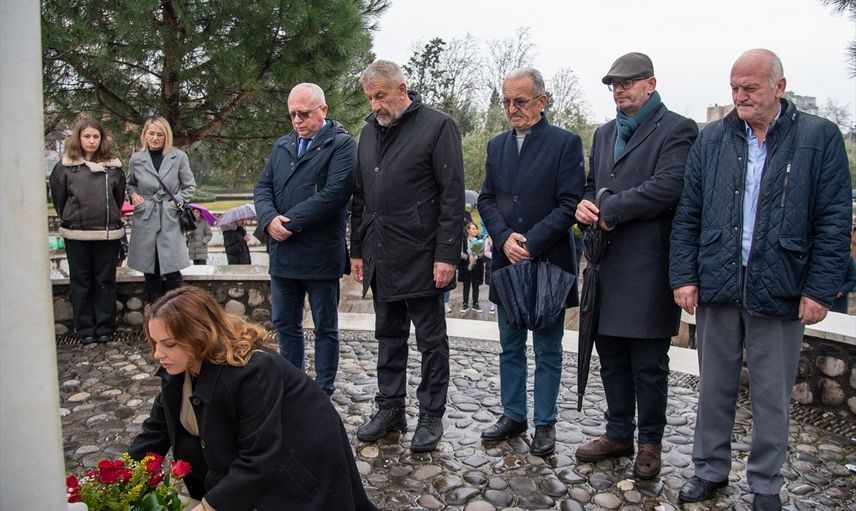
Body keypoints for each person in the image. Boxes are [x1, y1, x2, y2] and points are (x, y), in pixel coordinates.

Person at [670, 49, 852, 511]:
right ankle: (708, 470)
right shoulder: (712, 138)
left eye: (749, 87)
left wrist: (819, 289)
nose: (739, 96)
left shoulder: (818, 137)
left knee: (772, 392)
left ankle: (766, 483)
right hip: (718, 278)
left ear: (779, 86)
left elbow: (834, 221)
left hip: (781, 282)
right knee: (714, 386)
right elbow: (688, 212)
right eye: (734, 87)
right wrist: (684, 276)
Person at [127, 286, 378, 511]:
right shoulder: (178, 368)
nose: (157, 354)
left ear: (199, 336)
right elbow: (155, 432)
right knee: (188, 443)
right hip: (253, 459)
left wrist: (208, 507)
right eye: (155, 343)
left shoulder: (253, 370)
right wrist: (120, 478)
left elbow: (258, 455)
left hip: (298, 471)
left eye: (169, 344)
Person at [573, 52, 698, 479]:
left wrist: (610, 209)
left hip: (649, 266)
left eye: (626, 83)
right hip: (605, 266)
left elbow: (668, 186)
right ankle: (618, 433)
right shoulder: (604, 133)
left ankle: (650, 443)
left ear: (650, 84)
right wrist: (585, 206)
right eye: (614, 84)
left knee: (648, 364)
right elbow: (592, 184)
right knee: (610, 357)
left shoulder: (677, 128)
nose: (619, 90)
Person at [350, 59, 465, 453]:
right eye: (370, 98)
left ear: (402, 89)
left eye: (380, 96)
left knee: (431, 341)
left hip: (422, 255)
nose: (375, 105)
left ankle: (431, 413)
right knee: (388, 337)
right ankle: (390, 408)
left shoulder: (438, 126)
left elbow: (452, 196)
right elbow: (360, 197)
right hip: (379, 253)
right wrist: (357, 250)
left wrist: (447, 255)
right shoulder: (368, 132)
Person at [477, 67, 585, 457]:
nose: (512, 108)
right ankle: (513, 414)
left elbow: (569, 203)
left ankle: (545, 422)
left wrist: (531, 242)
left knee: (548, 349)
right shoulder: (496, 145)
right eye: (506, 101)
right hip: (507, 262)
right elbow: (486, 198)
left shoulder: (565, 143)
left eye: (519, 101)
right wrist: (504, 237)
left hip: (549, 261)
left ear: (542, 101)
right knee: (509, 345)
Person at [254, 82, 356, 396]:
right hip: (284, 254)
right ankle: (292, 384)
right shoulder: (283, 145)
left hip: (320, 254)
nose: (297, 120)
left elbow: (334, 194)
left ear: (323, 110)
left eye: (304, 113)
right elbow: (263, 187)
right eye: (292, 115)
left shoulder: (342, 145)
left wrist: (289, 223)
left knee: (325, 327)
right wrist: (269, 219)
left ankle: (323, 388)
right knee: (285, 324)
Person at [49, 118, 126, 344]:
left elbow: (118, 199)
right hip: (77, 234)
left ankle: (105, 326)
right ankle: (84, 328)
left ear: (101, 139)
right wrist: (73, 217)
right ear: (78, 138)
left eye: (95, 136)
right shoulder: (63, 168)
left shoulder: (113, 167)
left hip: (107, 234)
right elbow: (59, 200)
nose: (91, 141)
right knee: (81, 281)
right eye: (87, 136)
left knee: (105, 281)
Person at [127, 117, 197, 303]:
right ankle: (154, 316)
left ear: (167, 136)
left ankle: (180, 315)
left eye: (160, 134)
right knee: (150, 271)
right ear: (145, 134)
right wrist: (134, 195)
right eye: (151, 133)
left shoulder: (178, 157)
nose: (155, 138)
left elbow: (190, 186)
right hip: (146, 216)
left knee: (173, 272)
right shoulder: (136, 158)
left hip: (169, 217)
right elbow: (130, 184)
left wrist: (175, 202)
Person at [458, 221, 485, 313]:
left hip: (477, 266)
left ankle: (475, 304)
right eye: (473, 229)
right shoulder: (463, 240)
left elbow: (482, 253)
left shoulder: (480, 240)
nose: (475, 230)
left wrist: (476, 257)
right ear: (468, 230)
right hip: (465, 266)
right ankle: (465, 304)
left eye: (476, 228)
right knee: (466, 285)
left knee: (476, 285)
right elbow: (460, 252)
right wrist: (468, 257)